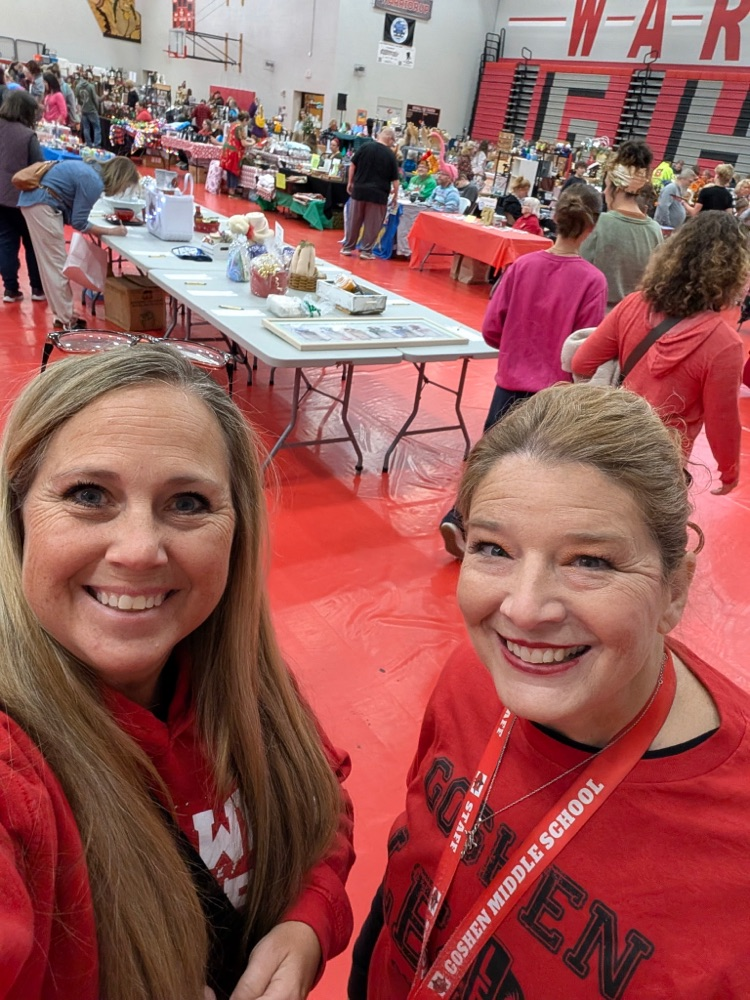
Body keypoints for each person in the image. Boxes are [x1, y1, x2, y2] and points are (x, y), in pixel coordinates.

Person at [350, 380, 750, 1000]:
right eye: (493, 549)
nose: (525, 609)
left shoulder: (732, 838)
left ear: (674, 589)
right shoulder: (472, 675)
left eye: (590, 561)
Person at [0, 346, 355, 1000]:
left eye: (187, 502)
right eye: (88, 495)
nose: (139, 551)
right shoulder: (13, 767)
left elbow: (316, 801)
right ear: (17, 515)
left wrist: (309, 918)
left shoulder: (240, 678)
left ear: (237, 529)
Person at [439, 186, 606, 557]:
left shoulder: (521, 266)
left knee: (489, 462)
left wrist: (517, 346)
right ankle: (524, 540)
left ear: (555, 218)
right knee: (545, 471)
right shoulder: (592, 280)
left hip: (509, 386)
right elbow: (583, 351)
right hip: (555, 397)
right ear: (591, 227)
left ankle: (460, 516)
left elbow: (491, 329)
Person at [572, 211, 747, 496]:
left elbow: (582, 362)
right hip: (662, 461)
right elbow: (722, 420)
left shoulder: (633, 305)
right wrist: (729, 471)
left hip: (612, 442)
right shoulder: (724, 344)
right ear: (733, 273)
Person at [19, 156, 139, 331]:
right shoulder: (93, 181)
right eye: (125, 186)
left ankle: (62, 315)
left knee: (50, 265)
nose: (122, 190)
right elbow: (79, 222)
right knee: (57, 266)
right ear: (120, 178)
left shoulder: (89, 170)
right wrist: (111, 231)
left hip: (36, 201)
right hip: (43, 205)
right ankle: (67, 319)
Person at [581, 140, 663, 309]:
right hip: (634, 315)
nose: (604, 192)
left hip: (597, 313)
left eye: (607, 186)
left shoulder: (599, 223)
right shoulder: (655, 230)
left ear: (617, 188)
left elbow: (579, 272)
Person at [0, 91, 45, 305]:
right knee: (32, 243)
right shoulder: (27, 135)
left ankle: (10, 289)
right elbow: (39, 167)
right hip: (24, 197)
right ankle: (37, 288)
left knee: (5, 243)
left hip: (1, 196)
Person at [341, 126, 400, 260]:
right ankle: (366, 251)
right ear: (389, 139)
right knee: (372, 224)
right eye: (393, 141)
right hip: (378, 195)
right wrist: (395, 196)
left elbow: (352, 165)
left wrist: (350, 182)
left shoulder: (365, 147)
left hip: (359, 190)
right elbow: (395, 180)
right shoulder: (390, 155)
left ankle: (347, 248)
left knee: (354, 221)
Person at [220, 111, 251, 197]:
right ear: (245, 120)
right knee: (234, 171)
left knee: (229, 170)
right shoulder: (240, 127)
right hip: (234, 151)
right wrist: (253, 143)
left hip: (227, 150)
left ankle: (229, 188)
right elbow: (243, 143)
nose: (246, 124)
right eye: (247, 122)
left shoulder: (233, 124)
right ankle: (232, 191)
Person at [75, 75, 101, 147]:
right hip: (92, 110)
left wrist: (81, 105)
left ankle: (88, 143)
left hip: (84, 110)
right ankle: (96, 144)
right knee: (97, 127)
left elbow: (78, 99)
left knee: (86, 128)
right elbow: (95, 99)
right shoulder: (91, 86)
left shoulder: (77, 87)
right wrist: (96, 107)